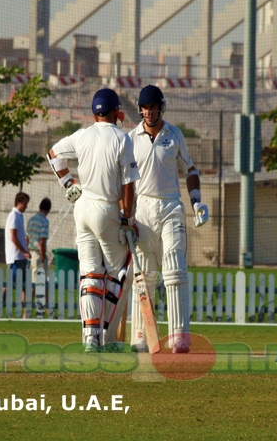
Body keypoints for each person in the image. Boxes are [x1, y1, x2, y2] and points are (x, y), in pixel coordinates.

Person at [48, 88, 140, 352]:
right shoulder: (123, 139)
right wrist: (127, 219)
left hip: (83, 207)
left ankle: (90, 339)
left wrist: (68, 183)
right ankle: (108, 340)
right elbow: (128, 185)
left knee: (90, 274)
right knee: (118, 273)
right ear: (114, 111)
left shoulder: (82, 135)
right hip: (107, 209)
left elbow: (53, 155)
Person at [127, 85, 209, 353]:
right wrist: (125, 215)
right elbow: (124, 180)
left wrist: (196, 201)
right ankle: (141, 335)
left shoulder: (174, 135)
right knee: (145, 274)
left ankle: (179, 336)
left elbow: (190, 169)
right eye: (145, 107)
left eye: (153, 107)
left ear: (161, 107)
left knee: (174, 269)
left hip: (171, 206)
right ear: (140, 109)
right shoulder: (131, 138)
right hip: (142, 210)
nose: (149, 112)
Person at [0, 192, 31, 318]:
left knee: (24, 286)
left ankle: (25, 315)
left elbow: (19, 236)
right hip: (15, 258)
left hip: (21, 257)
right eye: (25, 203)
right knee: (8, 286)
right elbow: (13, 236)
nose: (26, 206)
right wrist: (23, 251)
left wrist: (25, 243)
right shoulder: (13, 216)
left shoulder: (19, 216)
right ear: (19, 202)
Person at [26, 198, 52, 314]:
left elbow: (27, 239)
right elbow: (41, 242)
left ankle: (45, 309)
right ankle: (34, 310)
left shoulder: (31, 220)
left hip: (30, 254)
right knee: (38, 283)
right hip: (38, 254)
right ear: (48, 209)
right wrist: (43, 256)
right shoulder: (44, 221)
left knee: (33, 282)